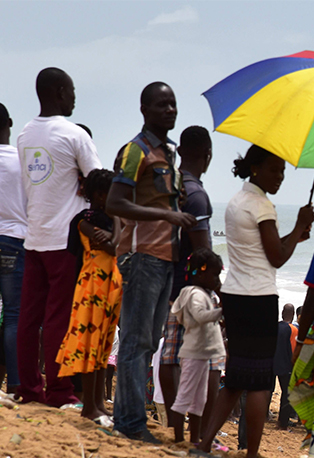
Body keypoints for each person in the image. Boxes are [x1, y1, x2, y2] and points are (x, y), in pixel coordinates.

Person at [197, 146, 313, 458]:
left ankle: (204, 443)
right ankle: (251, 455)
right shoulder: (262, 205)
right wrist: (300, 224)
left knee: (236, 378)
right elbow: (276, 257)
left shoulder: (237, 201)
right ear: (256, 168)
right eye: (275, 169)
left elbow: (260, 251)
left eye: (283, 171)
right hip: (259, 298)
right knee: (260, 382)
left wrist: (295, 236)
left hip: (234, 294)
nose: (280, 177)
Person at [107, 82, 197, 439]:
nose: (170, 110)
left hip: (165, 259)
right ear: (144, 110)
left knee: (148, 342)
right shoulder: (135, 151)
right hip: (141, 257)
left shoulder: (169, 154)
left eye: (173, 104)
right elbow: (115, 202)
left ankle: (132, 421)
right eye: (162, 105)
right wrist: (166, 215)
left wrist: (175, 206)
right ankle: (129, 424)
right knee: (135, 341)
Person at [17, 68, 102, 407]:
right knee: (58, 319)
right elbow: (100, 182)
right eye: (72, 91)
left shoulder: (24, 134)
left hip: (34, 235)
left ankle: (28, 388)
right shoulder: (74, 134)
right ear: (59, 91)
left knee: (28, 319)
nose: (74, 98)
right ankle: (58, 391)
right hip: (65, 240)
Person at [158, 126, 214, 441]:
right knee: (203, 362)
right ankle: (195, 434)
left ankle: (175, 429)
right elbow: (202, 250)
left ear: (180, 151)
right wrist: (214, 288)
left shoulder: (171, 185)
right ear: (208, 155)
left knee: (170, 356)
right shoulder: (196, 194)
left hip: (167, 282)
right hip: (191, 289)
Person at [54, 169, 121, 423]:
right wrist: (117, 223)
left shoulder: (106, 220)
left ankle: (98, 404)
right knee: (91, 345)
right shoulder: (85, 220)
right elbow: (113, 247)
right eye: (111, 193)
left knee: (103, 346)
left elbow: (117, 244)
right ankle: (90, 406)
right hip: (93, 287)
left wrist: (115, 225)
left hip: (109, 286)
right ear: (99, 195)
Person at [167, 248, 224, 444]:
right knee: (184, 397)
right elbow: (200, 316)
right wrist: (221, 312)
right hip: (193, 354)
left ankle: (193, 440)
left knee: (199, 400)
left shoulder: (200, 293)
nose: (217, 280)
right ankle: (178, 439)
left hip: (201, 354)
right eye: (214, 275)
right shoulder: (195, 295)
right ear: (200, 273)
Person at [0, 102, 27, 394]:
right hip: (14, 241)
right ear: (9, 122)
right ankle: (16, 385)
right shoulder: (21, 160)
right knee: (13, 315)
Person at [274, 303, 299, 429]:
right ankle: (283, 422)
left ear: (282, 313)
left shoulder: (275, 326)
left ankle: (265, 416)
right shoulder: (293, 330)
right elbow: (294, 350)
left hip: (272, 364)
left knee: (268, 391)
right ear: (293, 315)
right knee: (287, 394)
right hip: (286, 365)